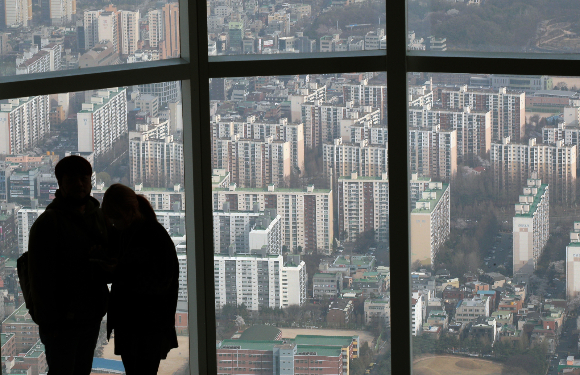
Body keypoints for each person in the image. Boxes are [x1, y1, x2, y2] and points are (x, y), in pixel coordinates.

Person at [28, 155, 110, 375]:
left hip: (90, 316)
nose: (80, 184)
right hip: (61, 324)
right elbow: (40, 280)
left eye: (84, 178)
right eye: (73, 179)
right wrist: (50, 323)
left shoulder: (98, 217)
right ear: (60, 183)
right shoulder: (48, 224)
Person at [101, 184, 179, 374]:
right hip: (133, 324)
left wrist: (119, 271)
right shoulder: (124, 232)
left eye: (116, 217)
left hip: (149, 326)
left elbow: (161, 282)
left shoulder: (155, 237)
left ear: (129, 211)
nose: (113, 222)